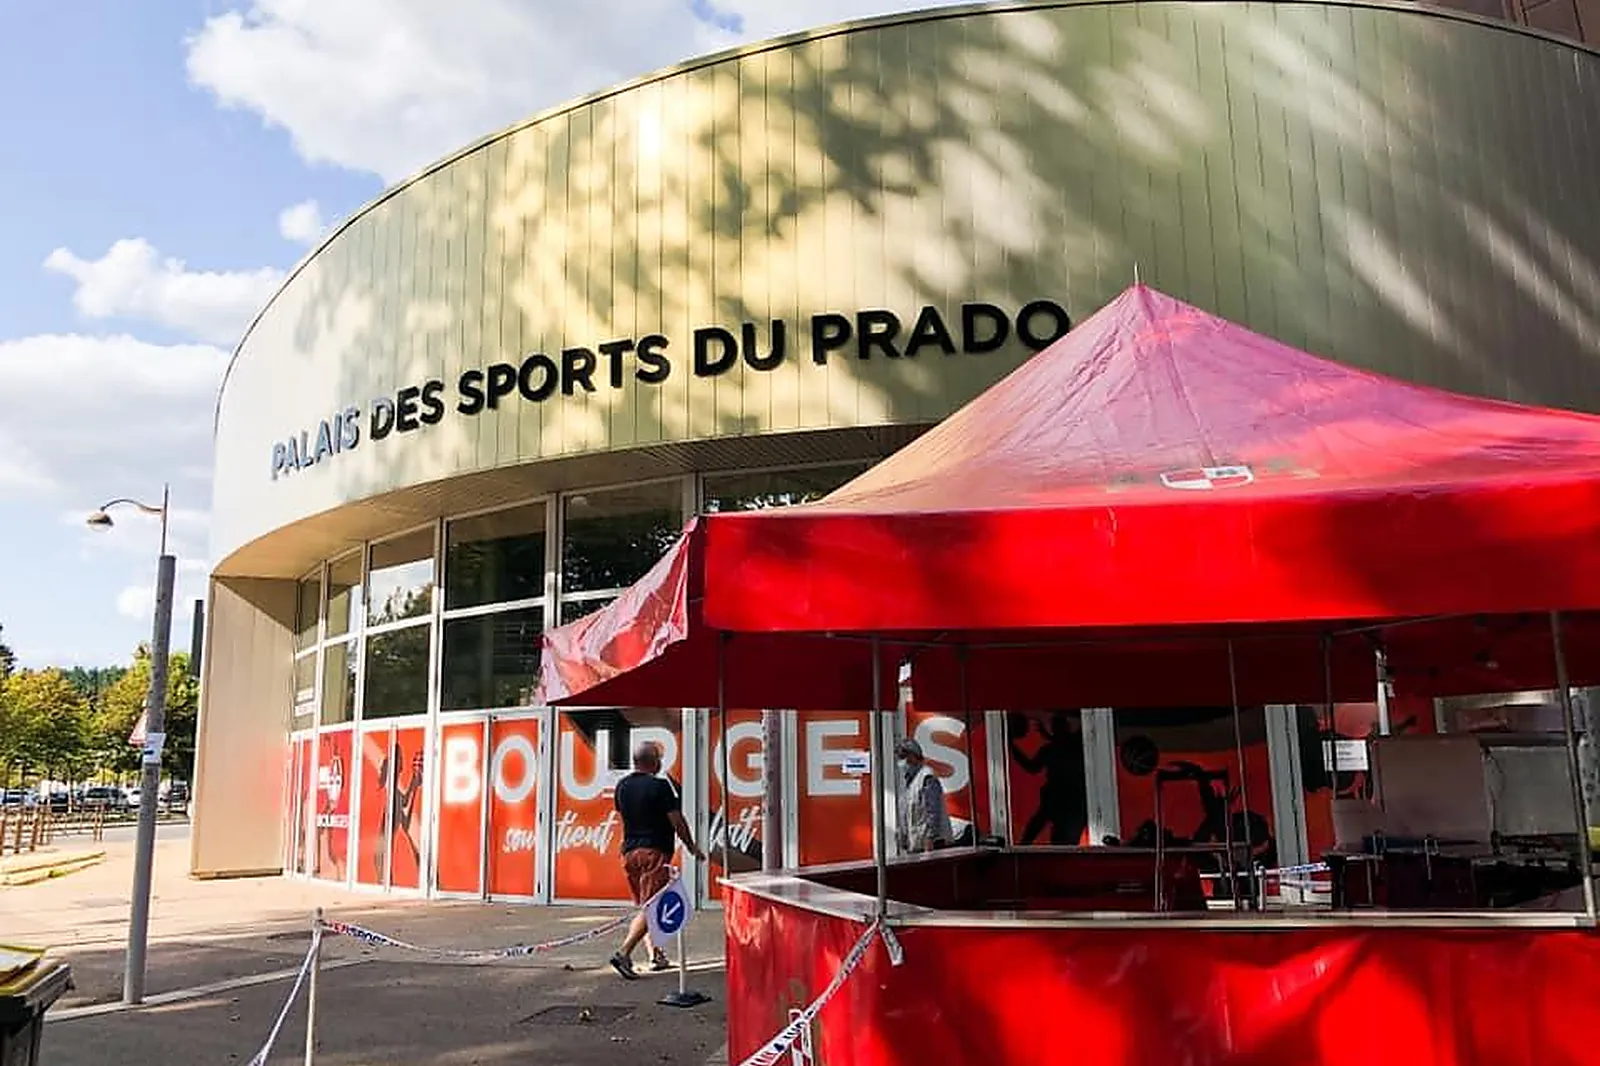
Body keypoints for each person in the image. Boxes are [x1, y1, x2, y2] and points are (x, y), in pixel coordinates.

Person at [609, 741, 706, 980]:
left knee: (646, 907)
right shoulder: (660, 787)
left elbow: (625, 816)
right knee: (652, 906)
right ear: (653, 761)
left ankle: (656, 955)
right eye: (660, 758)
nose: (662, 762)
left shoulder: (622, 786)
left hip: (629, 853)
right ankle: (623, 953)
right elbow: (677, 820)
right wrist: (692, 846)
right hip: (654, 852)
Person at [895, 737, 954, 852]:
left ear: (913, 756)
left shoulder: (927, 778)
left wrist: (930, 837)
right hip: (916, 844)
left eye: (902, 757)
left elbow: (933, 811)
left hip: (930, 845)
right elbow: (906, 813)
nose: (900, 762)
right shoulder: (908, 782)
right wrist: (902, 836)